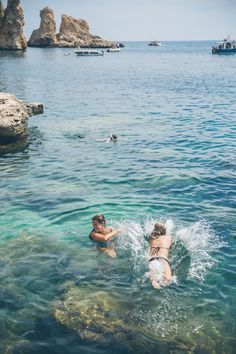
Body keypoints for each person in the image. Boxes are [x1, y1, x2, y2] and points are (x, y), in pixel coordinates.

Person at [148, 222, 172, 289]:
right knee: (168, 278)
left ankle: (154, 280)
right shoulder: (169, 237)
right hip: (163, 258)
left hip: (152, 258)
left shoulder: (151, 238)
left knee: (153, 275)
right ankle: (160, 276)